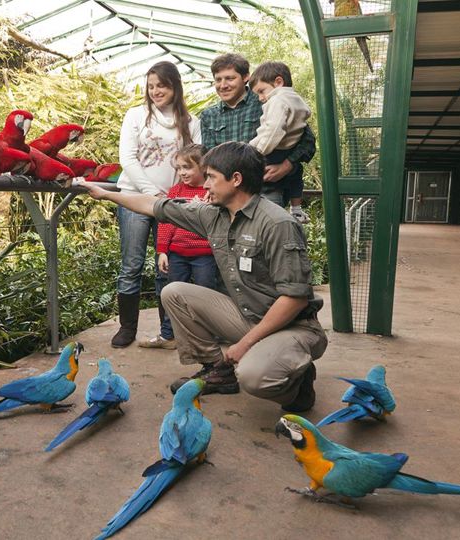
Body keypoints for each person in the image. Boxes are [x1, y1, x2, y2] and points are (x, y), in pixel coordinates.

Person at [80, 142, 327, 412]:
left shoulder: (277, 224)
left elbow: (294, 299)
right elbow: (153, 205)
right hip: (249, 317)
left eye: (211, 177)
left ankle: (298, 385)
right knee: (174, 292)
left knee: (254, 376)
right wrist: (105, 194)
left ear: (236, 179)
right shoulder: (214, 216)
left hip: (293, 327)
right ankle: (217, 370)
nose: (205, 184)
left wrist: (244, 345)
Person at [111, 61, 201, 349]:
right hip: (135, 198)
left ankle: (168, 330)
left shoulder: (191, 122)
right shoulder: (136, 115)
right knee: (132, 264)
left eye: (161, 85)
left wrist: (174, 197)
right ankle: (127, 327)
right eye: (151, 86)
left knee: (168, 265)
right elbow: (127, 158)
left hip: (172, 204)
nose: (155, 91)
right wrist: (152, 193)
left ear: (174, 86)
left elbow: (197, 161)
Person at [199, 53, 316, 209]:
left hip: (266, 190)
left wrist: (287, 165)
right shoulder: (208, 116)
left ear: (246, 77)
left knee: (268, 225)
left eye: (230, 78)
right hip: (226, 194)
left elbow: (307, 141)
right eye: (218, 79)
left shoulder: (269, 100)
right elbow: (210, 159)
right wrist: (211, 186)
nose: (223, 85)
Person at [142, 144, 218, 349]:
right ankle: (169, 335)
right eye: (179, 168)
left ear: (203, 167)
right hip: (177, 254)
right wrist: (162, 251)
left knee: (205, 295)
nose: (182, 172)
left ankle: (206, 337)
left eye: (187, 167)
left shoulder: (212, 192)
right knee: (171, 294)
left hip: (205, 254)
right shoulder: (175, 191)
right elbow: (166, 223)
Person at [248, 61, 312, 224]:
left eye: (261, 91)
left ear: (278, 82)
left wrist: (256, 151)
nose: (261, 98)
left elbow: (272, 130)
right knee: (296, 175)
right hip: (288, 149)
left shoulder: (278, 101)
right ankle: (296, 210)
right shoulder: (296, 99)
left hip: (274, 150)